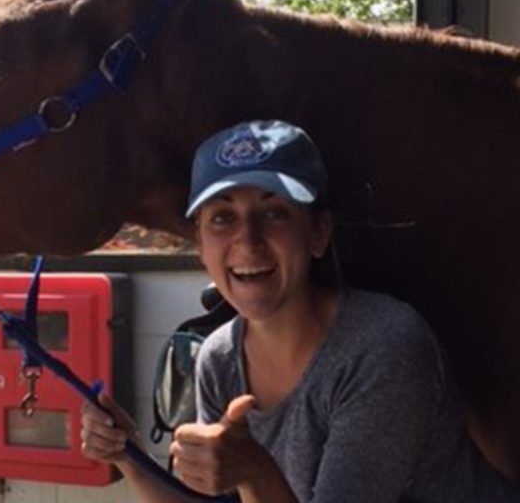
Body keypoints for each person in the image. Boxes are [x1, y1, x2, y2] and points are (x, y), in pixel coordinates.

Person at [81, 119, 520, 502]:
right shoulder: (219, 358)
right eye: (222, 218)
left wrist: (254, 471)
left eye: (274, 213)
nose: (247, 240)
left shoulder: (382, 349)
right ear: (200, 245)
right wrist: (128, 455)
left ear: (318, 233)